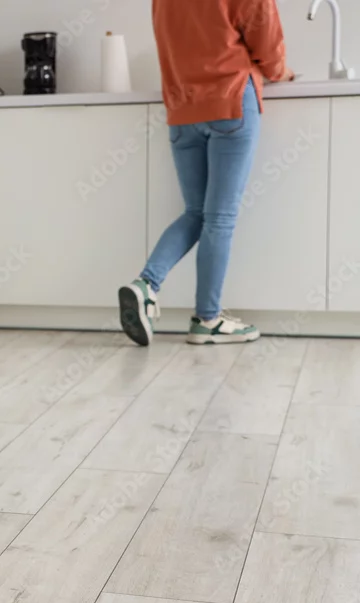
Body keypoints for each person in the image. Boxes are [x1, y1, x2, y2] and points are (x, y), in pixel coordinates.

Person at [118, 0, 294, 346]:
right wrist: (281, 72)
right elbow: (268, 45)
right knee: (219, 218)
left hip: (183, 110)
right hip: (230, 101)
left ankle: (146, 286)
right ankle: (207, 318)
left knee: (196, 213)